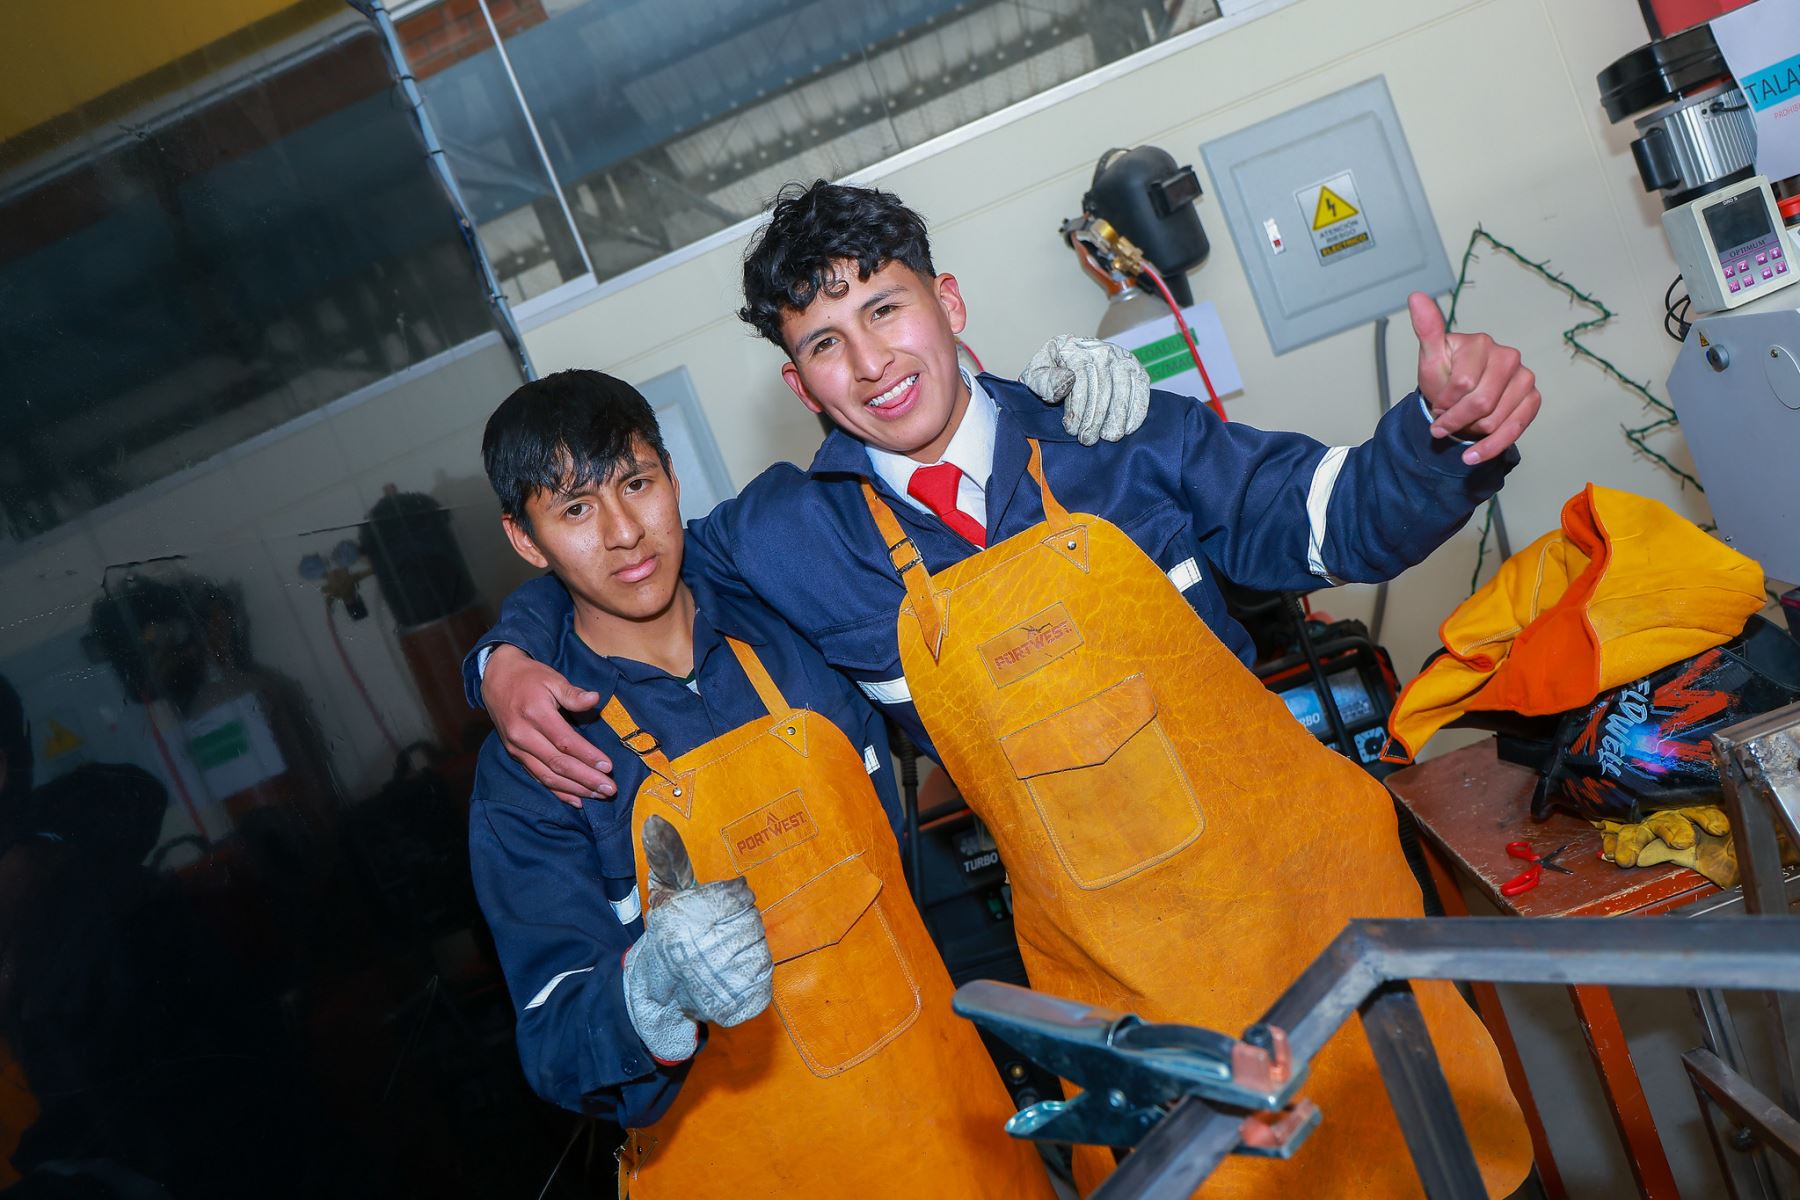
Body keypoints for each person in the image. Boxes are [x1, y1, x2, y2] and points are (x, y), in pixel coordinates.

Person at [472, 181, 1541, 1197]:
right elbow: (629, 568)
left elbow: (1331, 513)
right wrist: (504, 659)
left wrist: (1439, 432)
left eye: (887, 308)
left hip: (1326, 932)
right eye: (825, 346)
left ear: (950, 304)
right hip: (1126, 1012)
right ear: (801, 389)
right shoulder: (792, 538)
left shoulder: (1113, 437)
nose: (872, 362)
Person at [466, 370, 1056, 1198]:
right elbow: (555, 1038)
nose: (625, 532)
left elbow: (934, 505)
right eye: (574, 510)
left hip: (949, 1136)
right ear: (527, 541)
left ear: (672, 477)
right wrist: (651, 994)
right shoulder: (537, 759)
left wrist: (1046, 418)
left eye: (636, 484)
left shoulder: (789, 608)